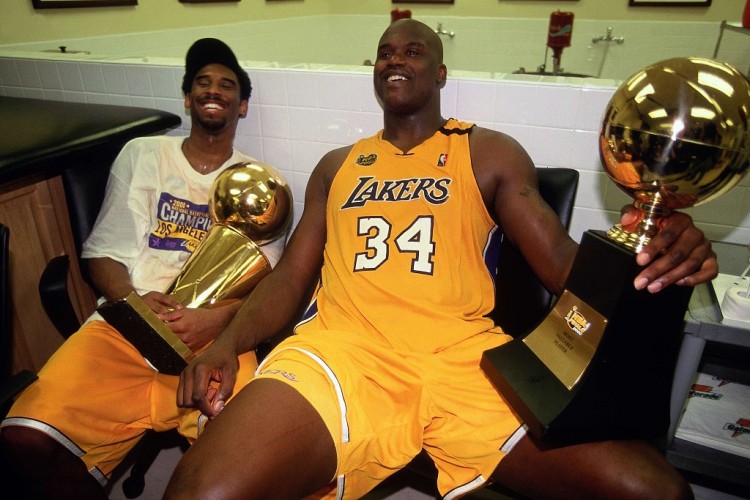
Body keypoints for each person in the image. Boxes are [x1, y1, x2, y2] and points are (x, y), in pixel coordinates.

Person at [165, 20, 717, 500]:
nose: (395, 60)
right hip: (343, 351)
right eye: (385, 53)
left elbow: (558, 263)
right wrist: (227, 343)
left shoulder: (487, 151)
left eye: (412, 52)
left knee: (658, 491)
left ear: (441, 73)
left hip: (464, 360)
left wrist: (654, 248)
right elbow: (290, 276)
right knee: (202, 490)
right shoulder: (337, 166)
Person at [0, 38, 287, 499]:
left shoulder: (259, 182)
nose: (213, 90)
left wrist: (212, 319)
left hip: (213, 341)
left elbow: (270, 286)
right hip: (127, 327)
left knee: (238, 466)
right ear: (188, 98)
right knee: (23, 439)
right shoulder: (143, 154)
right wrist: (132, 302)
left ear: (243, 105)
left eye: (227, 84)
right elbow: (103, 254)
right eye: (202, 82)